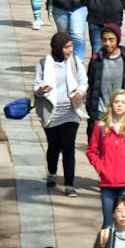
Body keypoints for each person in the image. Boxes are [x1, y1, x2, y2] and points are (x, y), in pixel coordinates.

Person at [34, 32, 89, 197]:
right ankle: (51, 173)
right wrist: (41, 90)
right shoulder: (44, 64)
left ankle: (69, 185)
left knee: (68, 147)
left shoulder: (74, 62)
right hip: (51, 112)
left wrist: (80, 92)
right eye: (66, 47)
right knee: (54, 146)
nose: (70, 50)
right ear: (58, 47)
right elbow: (36, 86)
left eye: (71, 46)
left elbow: (83, 81)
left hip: (71, 111)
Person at [87, 90, 125, 226]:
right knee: (109, 223)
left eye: (123, 102)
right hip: (107, 182)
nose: (119, 105)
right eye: (116, 102)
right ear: (111, 105)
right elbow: (91, 151)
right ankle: (107, 247)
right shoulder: (100, 127)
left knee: (123, 222)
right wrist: (101, 168)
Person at [86, 21, 125, 130]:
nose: (107, 44)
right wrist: (91, 110)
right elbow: (90, 86)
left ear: (117, 40)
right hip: (101, 113)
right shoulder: (96, 60)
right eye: (104, 40)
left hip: (122, 115)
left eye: (111, 40)